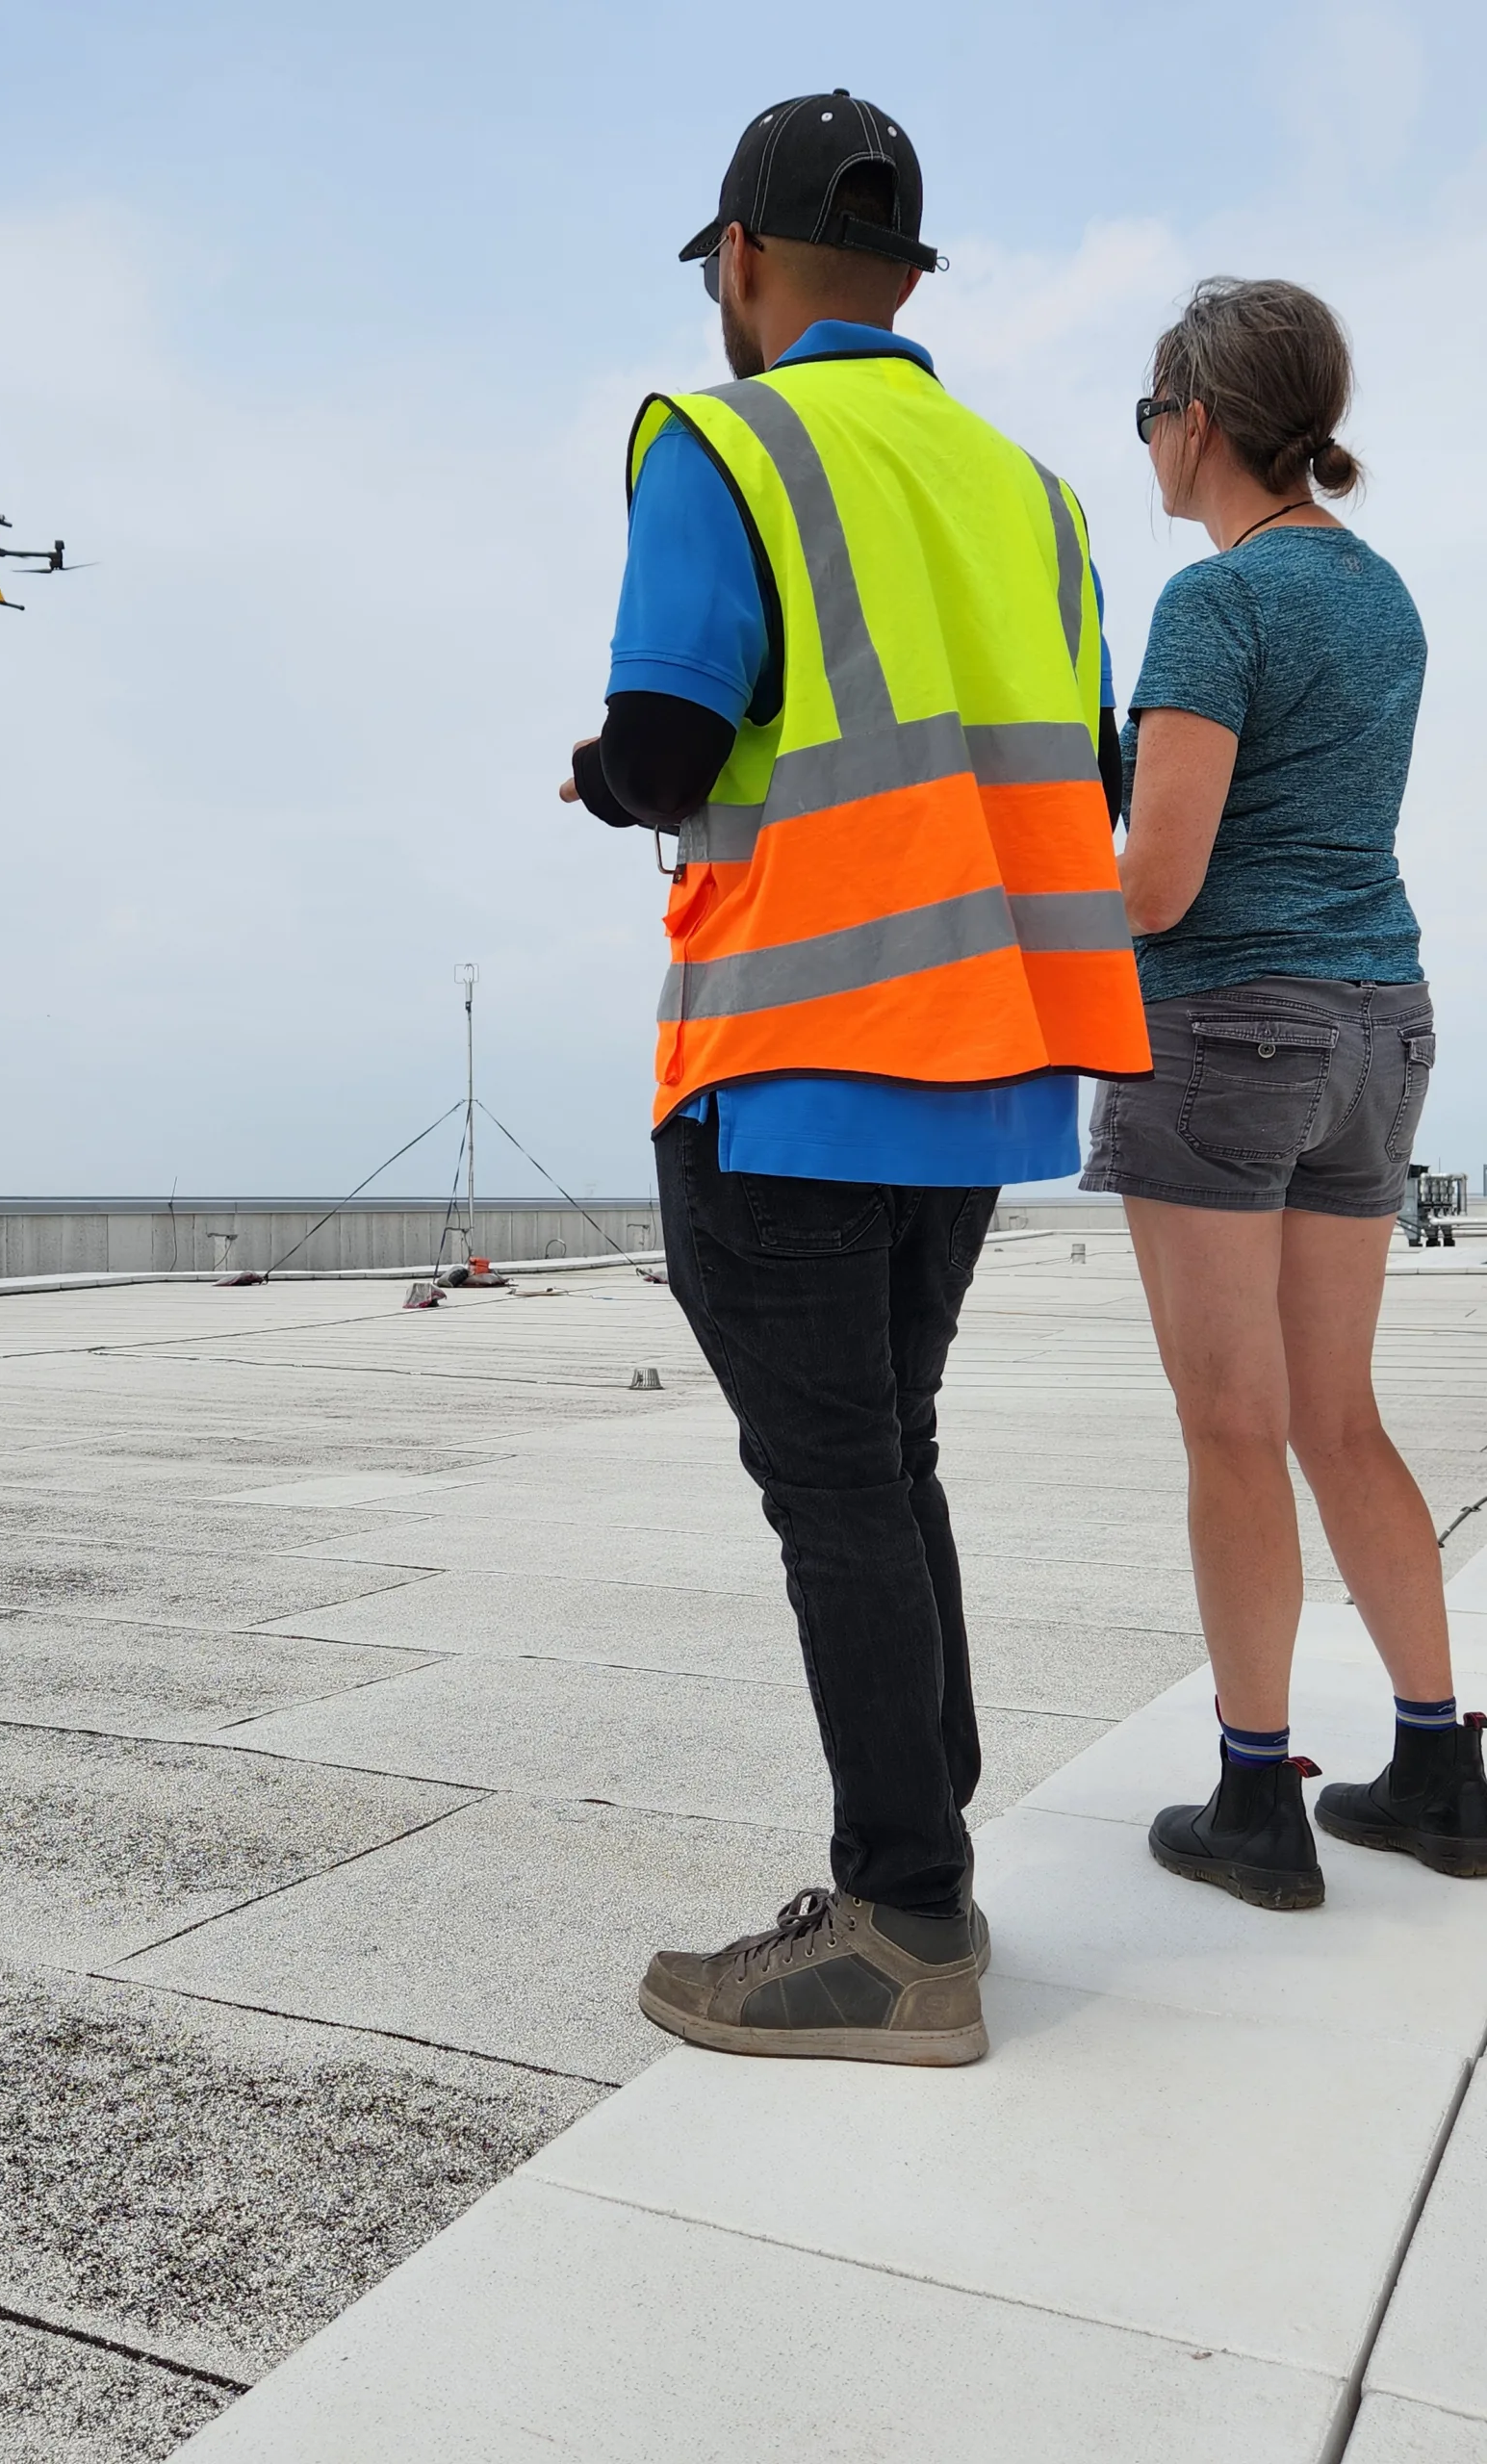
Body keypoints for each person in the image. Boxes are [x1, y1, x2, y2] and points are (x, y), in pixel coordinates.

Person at [561, 91, 1150, 2065]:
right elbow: (1100, 769)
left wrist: (604, 777)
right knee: (885, 1465)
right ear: (908, 281)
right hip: (980, 1072)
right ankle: (931, 1875)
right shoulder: (1034, 493)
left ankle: (902, 1922)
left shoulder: (718, 441)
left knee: (834, 1488)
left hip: (795, 1057)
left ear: (739, 264)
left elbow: (664, 739)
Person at [1081, 276, 1487, 1905]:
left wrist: (1021, 871)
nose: (1149, 450)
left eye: (1148, 417)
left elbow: (1161, 885)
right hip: (1381, 1026)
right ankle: (1441, 1768)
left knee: (1233, 1428)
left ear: (1200, 418)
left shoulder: (1216, 603)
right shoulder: (1381, 594)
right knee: (1337, 1414)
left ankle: (1257, 1807)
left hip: (1233, 1033)